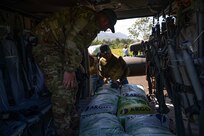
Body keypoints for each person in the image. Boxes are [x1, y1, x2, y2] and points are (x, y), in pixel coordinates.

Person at [32, 6, 117, 136]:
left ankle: (73, 122)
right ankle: (63, 130)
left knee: (73, 85)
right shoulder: (87, 20)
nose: (105, 29)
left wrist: (76, 66)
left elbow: (77, 47)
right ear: (105, 20)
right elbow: (72, 42)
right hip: (47, 45)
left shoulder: (92, 23)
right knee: (62, 89)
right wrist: (70, 70)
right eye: (108, 26)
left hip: (59, 48)